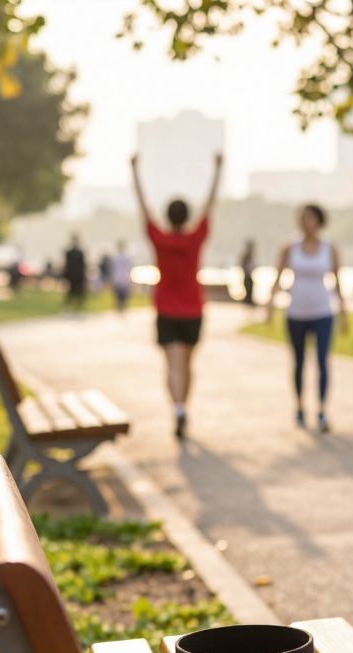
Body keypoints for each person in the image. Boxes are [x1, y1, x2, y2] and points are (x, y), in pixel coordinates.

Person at [131, 152, 224, 440]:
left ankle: (178, 409)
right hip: (193, 309)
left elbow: (144, 207)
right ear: (186, 216)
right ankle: (184, 407)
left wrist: (134, 171)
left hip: (167, 310)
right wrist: (218, 170)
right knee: (188, 364)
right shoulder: (195, 239)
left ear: (168, 216)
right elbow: (209, 205)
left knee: (173, 364)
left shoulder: (160, 240)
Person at [267, 204, 347, 433]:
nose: (306, 222)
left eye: (310, 218)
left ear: (319, 221)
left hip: (323, 312)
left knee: (322, 361)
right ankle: (300, 406)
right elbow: (278, 277)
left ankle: (322, 410)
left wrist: (343, 312)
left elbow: (338, 281)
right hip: (296, 313)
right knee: (299, 362)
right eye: (303, 218)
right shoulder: (289, 248)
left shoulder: (329, 248)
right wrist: (270, 307)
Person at [62, 234, 87, 312]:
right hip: (71, 276)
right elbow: (66, 265)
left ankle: (78, 309)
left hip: (79, 276)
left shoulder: (81, 253)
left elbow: (83, 265)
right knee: (70, 293)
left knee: (79, 293)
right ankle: (67, 308)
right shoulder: (68, 253)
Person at [110, 240, 134, 313]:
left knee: (120, 298)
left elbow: (112, 269)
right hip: (123, 279)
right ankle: (122, 309)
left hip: (119, 279)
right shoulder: (126, 257)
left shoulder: (115, 258)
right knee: (122, 298)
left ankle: (120, 309)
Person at [239, 239, 257, 307]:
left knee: (250, 290)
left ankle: (249, 302)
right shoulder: (246, 256)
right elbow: (243, 265)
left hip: (249, 275)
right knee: (248, 290)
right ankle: (248, 302)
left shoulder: (249, 256)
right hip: (247, 275)